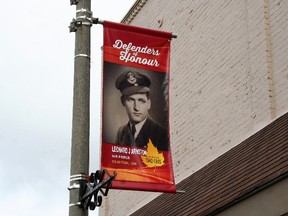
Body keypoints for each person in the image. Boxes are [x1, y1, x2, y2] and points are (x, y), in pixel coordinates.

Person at [115, 70, 169, 151]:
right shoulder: (121, 132)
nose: (136, 107)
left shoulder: (162, 134)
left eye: (141, 101)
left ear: (148, 104)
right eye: (131, 100)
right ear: (123, 101)